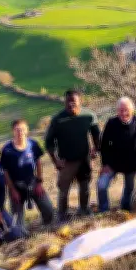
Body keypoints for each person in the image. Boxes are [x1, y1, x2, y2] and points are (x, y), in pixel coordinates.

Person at [45, 89, 101, 222]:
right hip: (66, 162)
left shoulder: (89, 116)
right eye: (68, 101)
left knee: (85, 187)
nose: (71, 104)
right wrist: (55, 161)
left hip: (84, 159)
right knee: (63, 190)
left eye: (74, 101)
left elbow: (96, 135)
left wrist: (96, 149)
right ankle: (62, 214)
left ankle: (84, 210)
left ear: (80, 101)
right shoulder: (57, 120)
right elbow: (48, 142)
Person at [0, 119, 54, 232]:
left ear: (27, 130)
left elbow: (38, 163)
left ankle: (47, 228)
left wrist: (39, 182)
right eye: (17, 130)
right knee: (17, 224)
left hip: (32, 183)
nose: (20, 132)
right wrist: (12, 190)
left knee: (49, 209)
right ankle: (22, 234)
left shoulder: (33, 144)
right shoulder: (7, 150)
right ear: (13, 131)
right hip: (16, 187)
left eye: (22, 129)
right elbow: (5, 171)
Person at [97, 97, 136, 212]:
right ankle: (103, 210)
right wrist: (104, 164)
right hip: (112, 163)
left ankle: (125, 210)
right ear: (117, 111)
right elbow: (104, 145)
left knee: (129, 188)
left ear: (132, 110)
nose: (124, 113)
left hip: (131, 164)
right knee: (101, 185)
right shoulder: (111, 123)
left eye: (126, 110)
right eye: (121, 110)